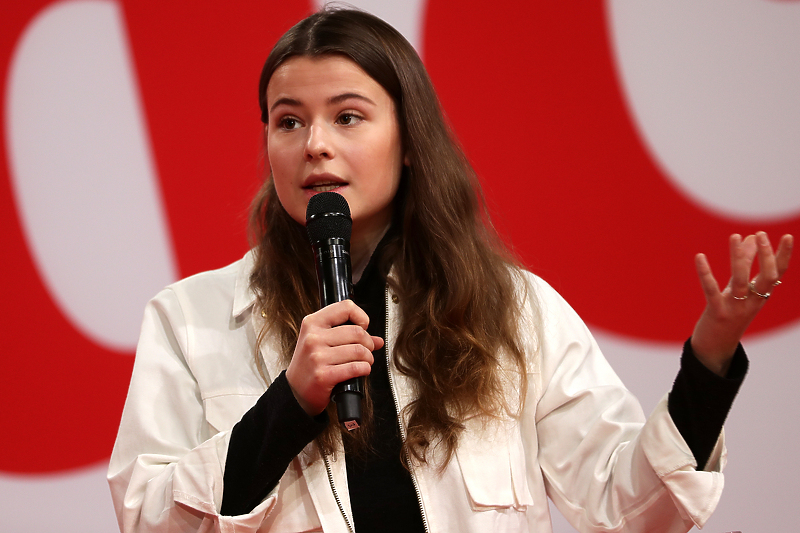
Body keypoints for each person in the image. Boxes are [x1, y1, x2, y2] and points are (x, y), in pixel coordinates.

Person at [107, 7, 793, 533]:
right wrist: (288, 402)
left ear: (408, 140)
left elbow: (632, 508)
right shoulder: (189, 318)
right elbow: (145, 517)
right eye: (288, 122)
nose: (314, 144)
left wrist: (709, 356)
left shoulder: (510, 308)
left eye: (348, 116)